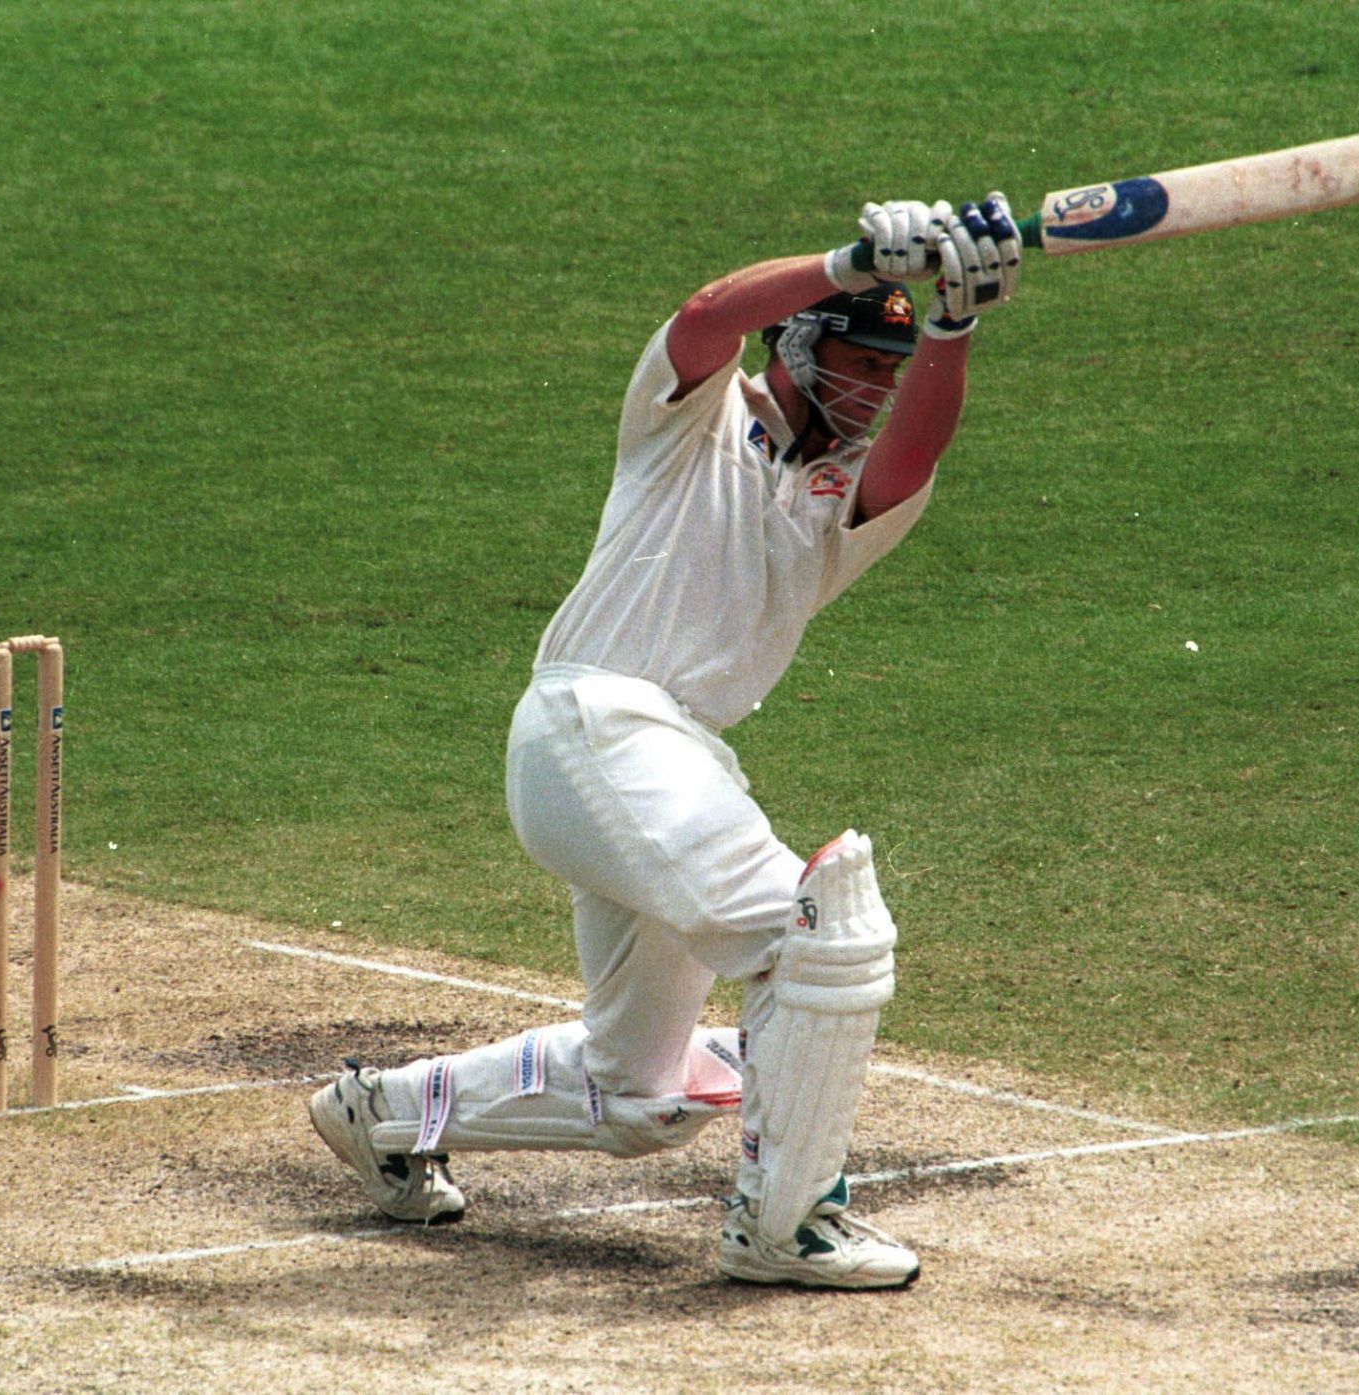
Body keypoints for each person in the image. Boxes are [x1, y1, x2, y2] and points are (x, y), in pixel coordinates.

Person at [312, 194, 1022, 1289]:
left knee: (635, 1097)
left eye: (889, 368)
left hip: (664, 757)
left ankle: (383, 1112)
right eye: (859, 358)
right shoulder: (688, 421)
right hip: (598, 720)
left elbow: (918, 448)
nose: (876, 388)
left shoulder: (845, 498)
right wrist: (850, 259)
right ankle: (789, 1223)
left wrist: (952, 327)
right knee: (819, 936)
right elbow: (703, 316)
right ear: (798, 348)